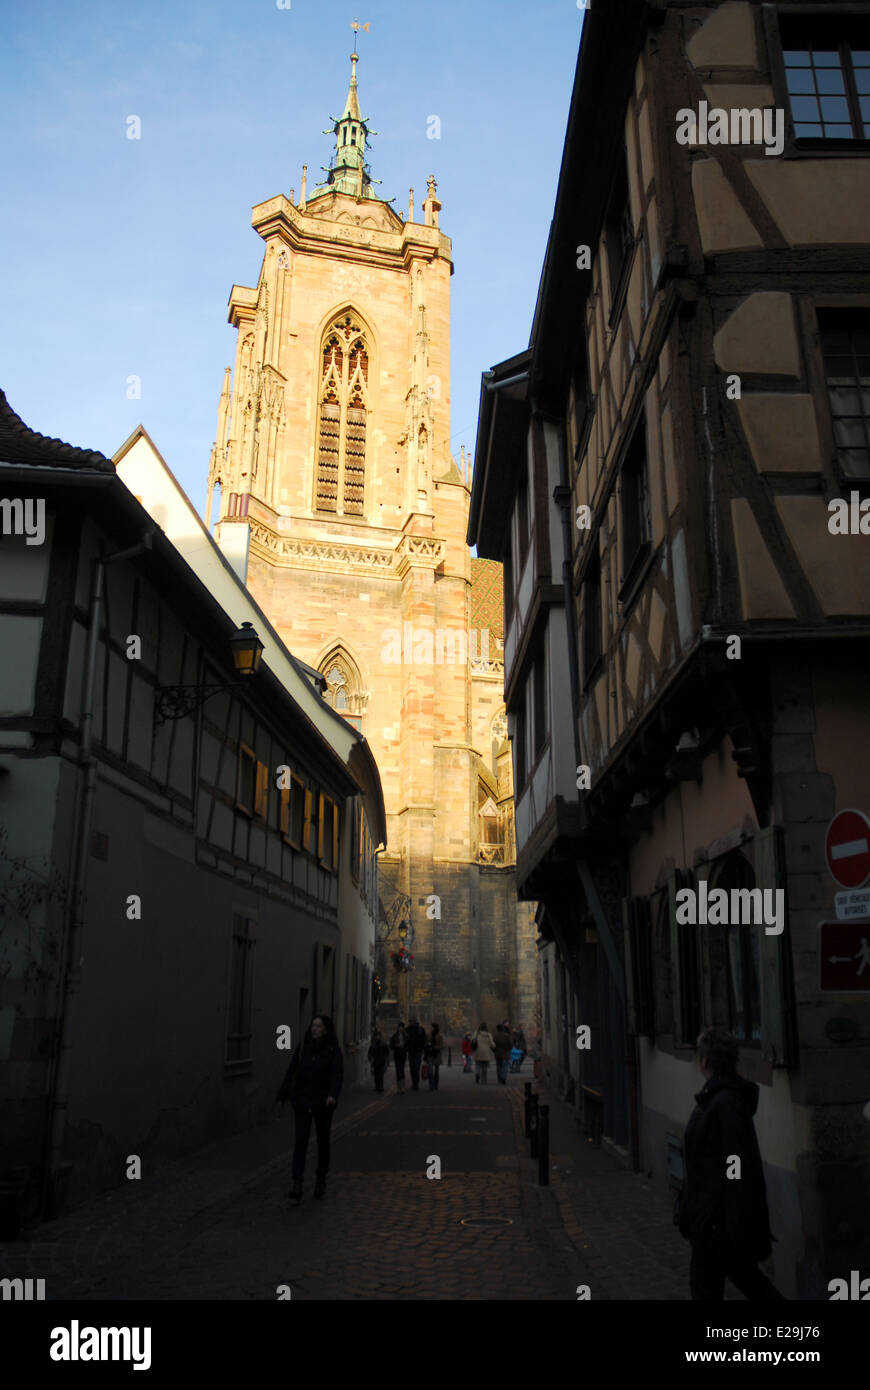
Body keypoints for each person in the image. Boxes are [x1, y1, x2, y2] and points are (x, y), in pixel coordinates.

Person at [675, 1027, 784, 1301]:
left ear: (705, 1062)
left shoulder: (724, 1103)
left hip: (716, 1223)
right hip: (713, 1219)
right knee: (746, 1282)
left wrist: (727, 1219)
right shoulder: (718, 1098)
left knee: (715, 1287)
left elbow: (735, 1164)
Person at [276, 1014, 343, 1203]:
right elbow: (292, 1070)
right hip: (303, 1100)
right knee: (300, 1142)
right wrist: (284, 1094)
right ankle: (297, 1182)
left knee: (323, 1142)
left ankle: (320, 1178)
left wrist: (332, 1095)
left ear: (326, 1029)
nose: (315, 1029)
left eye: (319, 1026)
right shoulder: (303, 1048)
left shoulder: (332, 1050)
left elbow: (337, 1074)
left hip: (323, 1103)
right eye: (313, 1025)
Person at [406, 1017, 427, 1090]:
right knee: (413, 1068)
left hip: (417, 1051)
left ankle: (415, 1083)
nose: (410, 1023)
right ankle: (414, 1083)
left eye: (411, 1022)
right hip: (413, 1051)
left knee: (416, 1068)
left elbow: (424, 1040)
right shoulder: (408, 1030)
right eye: (410, 1022)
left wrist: (421, 1049)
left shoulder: (419, 1030)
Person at [368, 1028, 390, 1093]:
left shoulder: (383, 1044)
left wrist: (385, 1060)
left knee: (380, 1075)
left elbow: (387, 1052)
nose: (377, 1037)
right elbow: (370, 1052)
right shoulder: (373, 1044)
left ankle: (380, 1087)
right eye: (376, 1036)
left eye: (378, 1036)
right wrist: (370, 1058)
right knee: (376, 1075)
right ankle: (377, 1086)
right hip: (375, 1061)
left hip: (381, 1061)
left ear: (380, 1037)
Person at [390, 1021, 408, 1094]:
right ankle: (398, 1088)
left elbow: (408, 1045)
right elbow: (391, 1045)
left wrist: (405, 1048)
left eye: (402, 1027)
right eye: (399, 1027)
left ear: (403, 1028)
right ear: (398, 1028)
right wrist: (395, 1046)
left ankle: (403, 1087)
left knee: (402, 1070)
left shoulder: (406, 1036)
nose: (400, 1028)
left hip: (403, 1054)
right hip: (397, 1054)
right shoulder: (395, 1036)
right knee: (398, 1070)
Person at [426, 1022, 444, 1091]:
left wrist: (434, 1047)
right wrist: (427, 1046)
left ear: (434, 1028)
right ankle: (431, 1085)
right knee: (430, 1071)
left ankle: (436, 1084)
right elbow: (426, 1043)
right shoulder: (428, 1035)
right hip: (430, 1055)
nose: (430, 1028)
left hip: (437, 1055)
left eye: (431, 1027)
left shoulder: (439, 1036)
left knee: (436, 1072)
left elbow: (441, 1046)